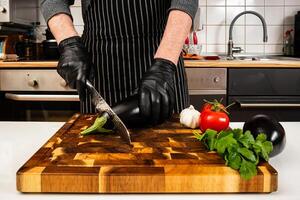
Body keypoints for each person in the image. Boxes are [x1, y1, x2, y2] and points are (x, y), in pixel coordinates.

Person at [41, 0, 198, 125]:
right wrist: (69, 43)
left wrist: (165, 64)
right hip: (101, 68)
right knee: (97, 153)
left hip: (161, 59)